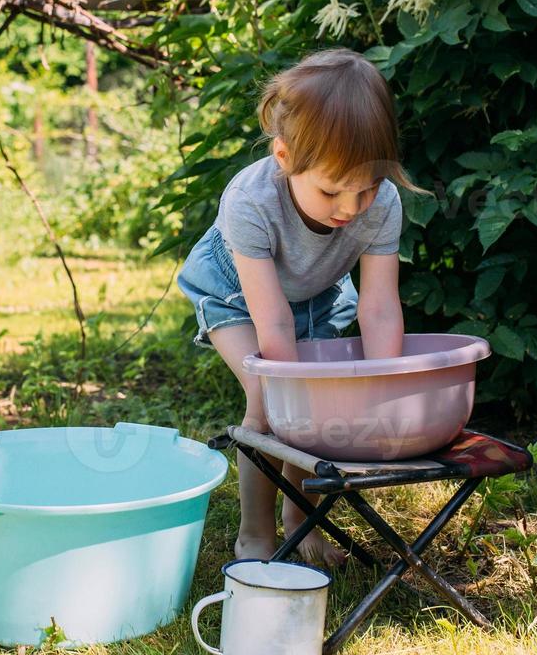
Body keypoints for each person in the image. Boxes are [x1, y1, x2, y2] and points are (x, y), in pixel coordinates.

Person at [178, 47, 417, 564]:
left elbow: (378, 307)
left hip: (320, 293)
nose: (351, 208)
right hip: (238, 294)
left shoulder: (383, 205)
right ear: (285, 158)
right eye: (333, 191)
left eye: (367, 189)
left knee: (320, 412)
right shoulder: (251, 201)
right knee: (270, 405)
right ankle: (256, 535)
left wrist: (383, 387)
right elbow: (272, 322)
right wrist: (295, 394)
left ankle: (300, 520)